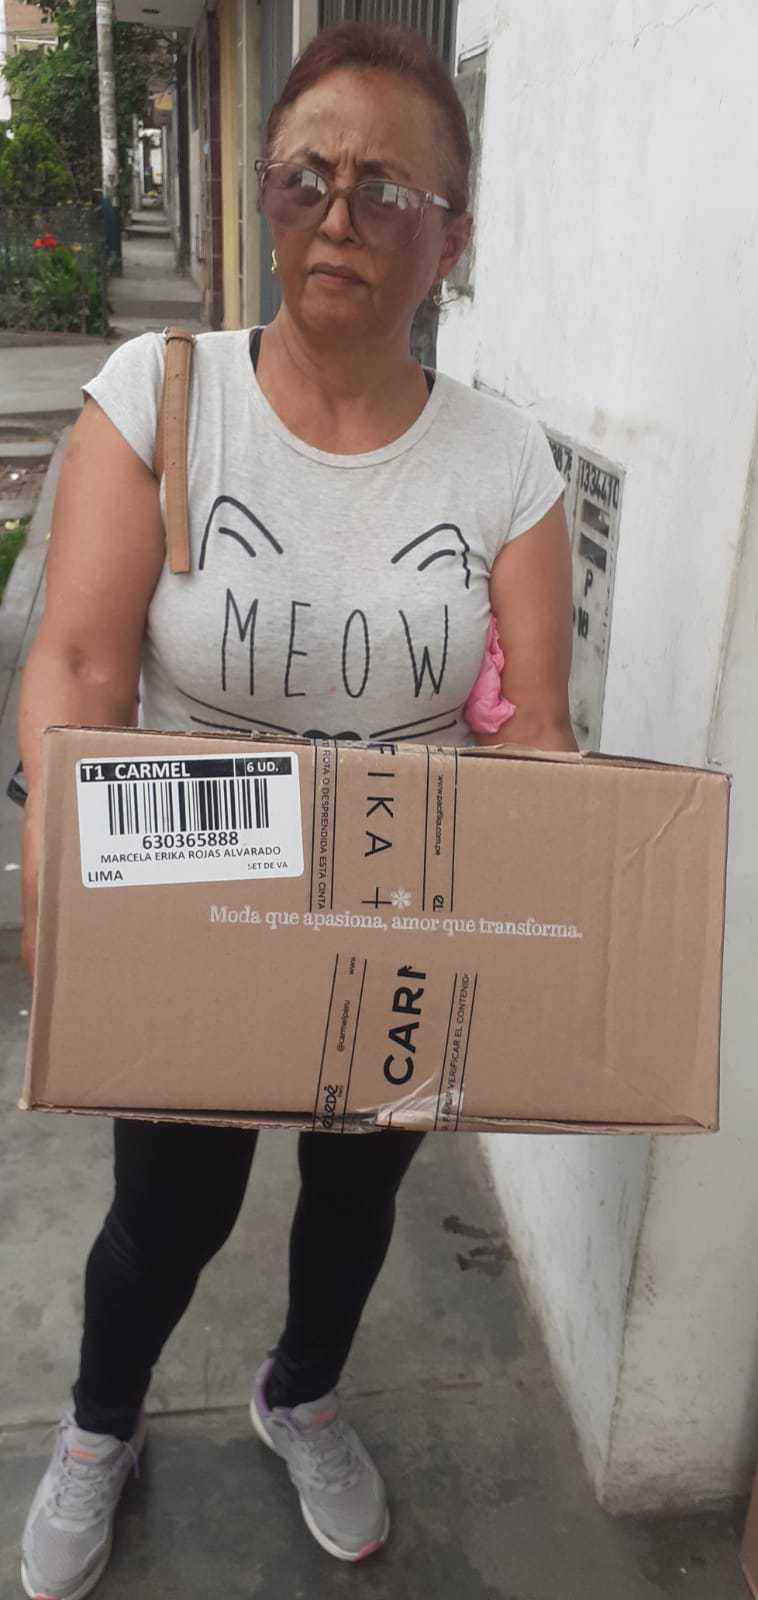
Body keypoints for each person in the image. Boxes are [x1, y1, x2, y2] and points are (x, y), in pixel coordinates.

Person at [17, 22, 575, 1598]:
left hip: (399, 905)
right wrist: (62, 872)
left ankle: (301, 1393)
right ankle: (98, 1426)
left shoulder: (505, 464)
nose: (338, 215)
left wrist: (545, 922)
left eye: (387, 187)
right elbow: (77, 659)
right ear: (267, 195)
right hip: (196, 888)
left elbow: (540, 726)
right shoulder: (162, 397)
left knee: (355, 1195)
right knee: (167, 1212)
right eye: (305, 176)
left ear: (452, 236)